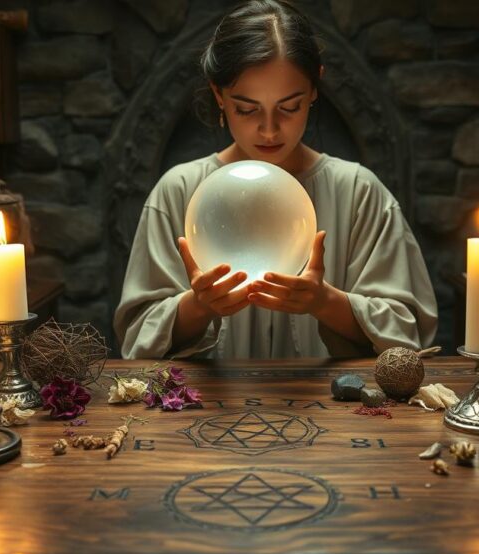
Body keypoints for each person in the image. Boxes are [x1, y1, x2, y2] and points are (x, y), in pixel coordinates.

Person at [114, 0, 437, 359]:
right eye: (247, 109)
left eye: (289, 106)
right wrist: (199, 305)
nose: (269, 130)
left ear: (314, 89)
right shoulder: (178, 193)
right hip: (206, 411)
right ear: (219, 95)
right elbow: (136, 340)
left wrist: (324, 300)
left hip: (336, 413)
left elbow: (408, 336)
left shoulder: (360, 193)